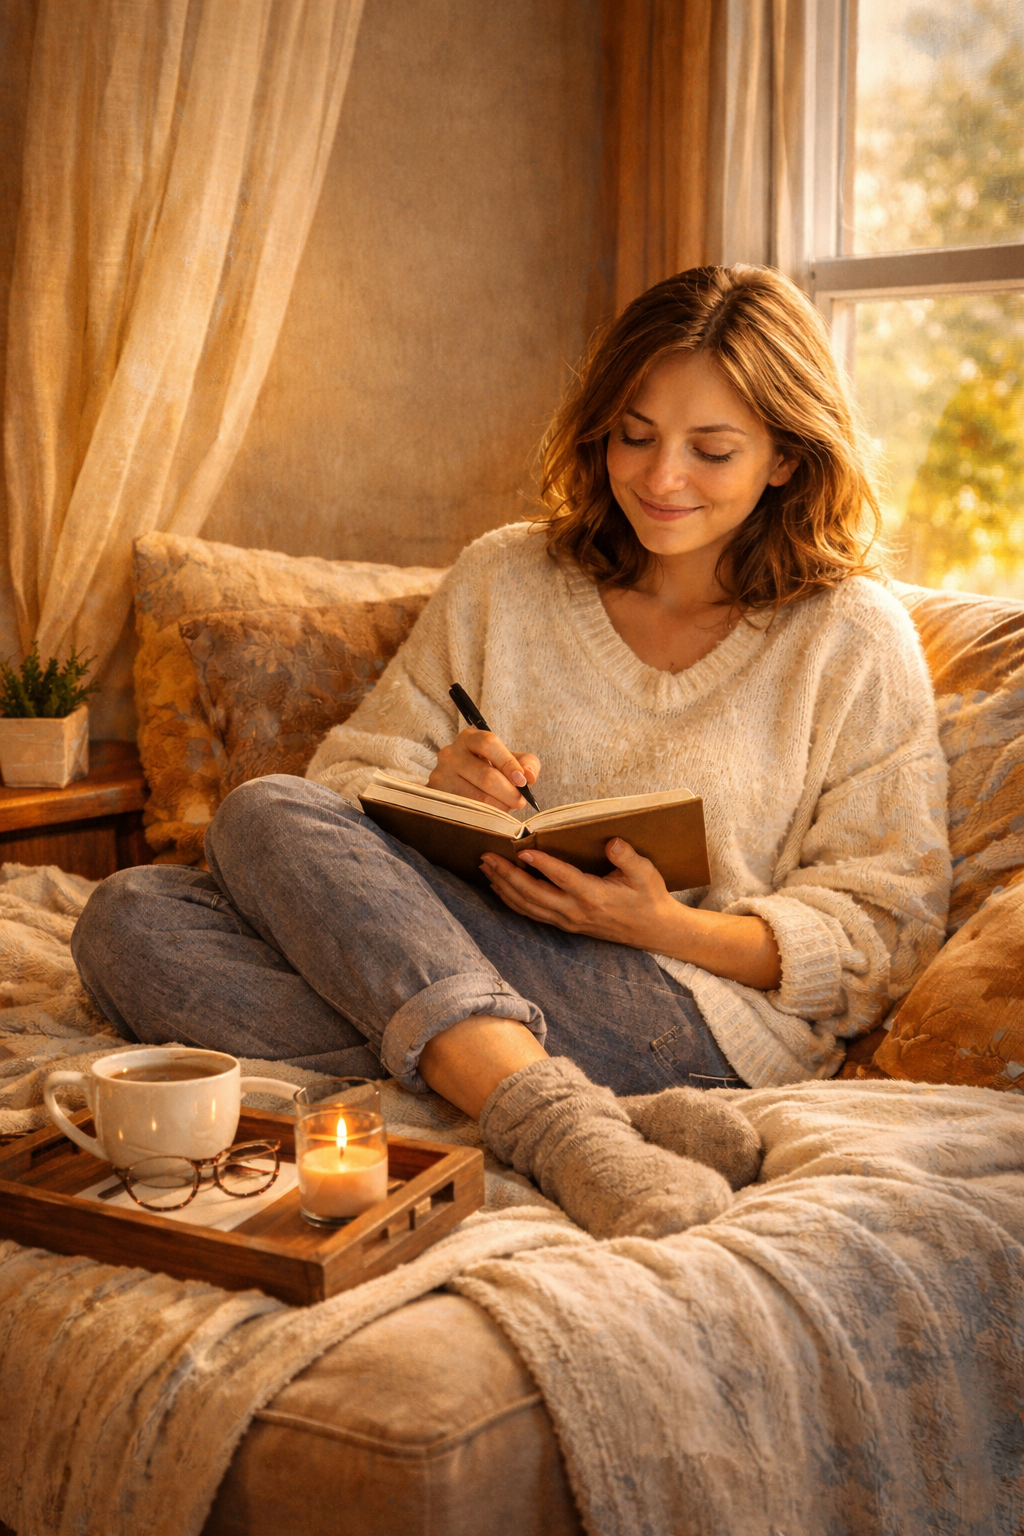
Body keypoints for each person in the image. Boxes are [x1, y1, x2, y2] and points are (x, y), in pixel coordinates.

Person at [72, 265, 951, 1240]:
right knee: (135, 912)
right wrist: (433, 781)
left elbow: (887, 922)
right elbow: (345, 781)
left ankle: (554, 1127)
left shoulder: (850, 634)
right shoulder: (506, 577)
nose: (661, 479)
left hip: (689, 1011)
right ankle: (599, 1121)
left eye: (710, 450)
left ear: (785, 458)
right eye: (634, 435)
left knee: (251, 822)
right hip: (459, 955)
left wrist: (664, 927)